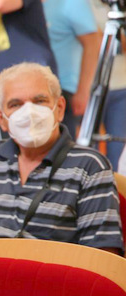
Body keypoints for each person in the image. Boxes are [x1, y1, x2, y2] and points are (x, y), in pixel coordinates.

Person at [0, 62, 123, 255]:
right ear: (2, 119)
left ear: (60, 108)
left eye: (39, 101)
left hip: (49, 273)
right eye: (15, 105)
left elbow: (104, 256)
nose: (29, 113)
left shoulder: (89, 166)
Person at [43, 0, 100, 136]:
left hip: (64, 89)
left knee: (64, 143)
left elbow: (93, 43)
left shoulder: (73, 3)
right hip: (33, 87)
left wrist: (83, 91)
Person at [90, 0, 126, 171]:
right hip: (92, 87)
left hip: (121, 84)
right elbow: (89, 42)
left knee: (117, 147)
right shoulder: (83, 5)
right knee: (89, 147)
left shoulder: (120, 7)